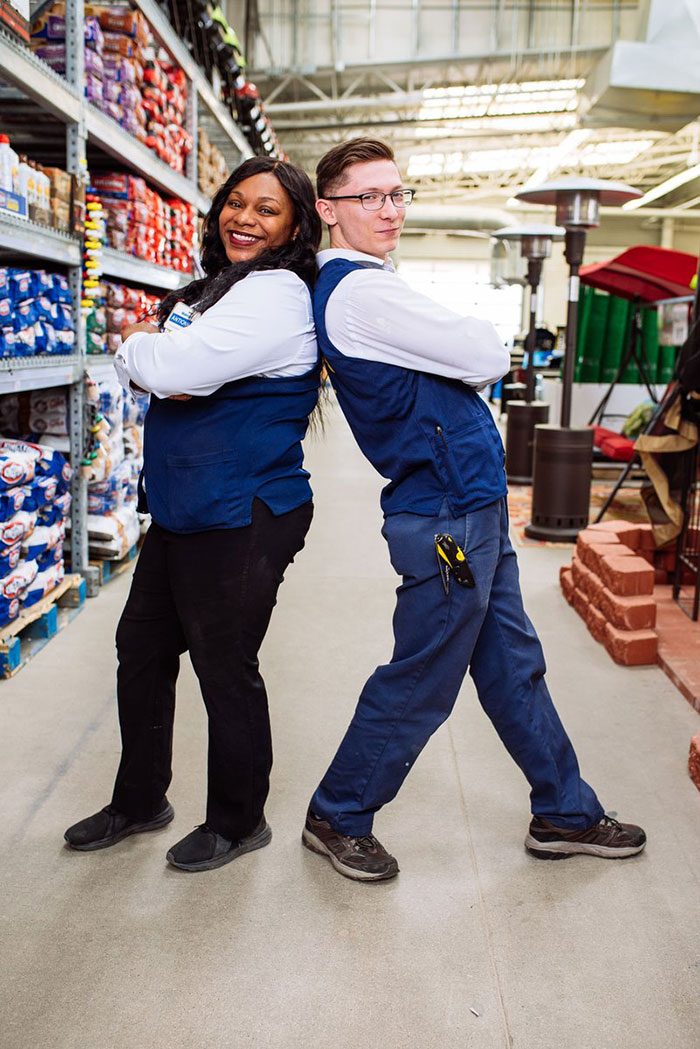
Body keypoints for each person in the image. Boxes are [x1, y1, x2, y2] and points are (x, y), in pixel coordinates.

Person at [302, 137, 646, 882]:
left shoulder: (376, 283)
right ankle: (339, 811)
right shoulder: (361, 292)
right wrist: (471, 341)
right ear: (328, 210)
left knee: (514, 664)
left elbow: (467, 354)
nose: (389, 210)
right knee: (425, 671)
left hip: (473, 507)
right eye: (368, 197)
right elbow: (487, 354)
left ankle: (565, 810)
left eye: (397, 194)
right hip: (446, 520)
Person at [65, 157, 321, 872]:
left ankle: (239, 820)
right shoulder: (220, 287)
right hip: (188, 508)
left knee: (224, 666)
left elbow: (171, 370)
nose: (244, 218)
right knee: (142, 648)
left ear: (295, 225)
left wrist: (140, 348)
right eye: (235, 202)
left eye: (266, 209)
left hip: (243, 511)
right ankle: (140, 798)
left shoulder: (275, 294)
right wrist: (159, 360)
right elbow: (170, 370)